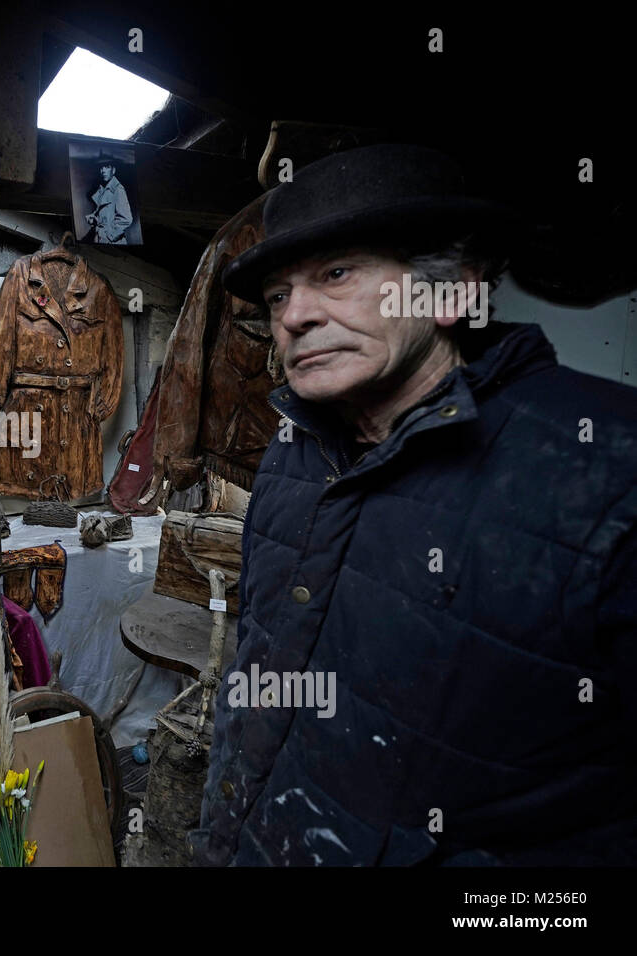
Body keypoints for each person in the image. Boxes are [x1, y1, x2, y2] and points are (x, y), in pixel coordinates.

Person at [189, 143, 637, 866]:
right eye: (277, 295)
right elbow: (253, 694)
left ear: (453, 291)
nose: (295, 316)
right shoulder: (293, 455)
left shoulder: (608, 471)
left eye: (336, 274)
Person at [84, 155, 133, 244]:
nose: (103, 171)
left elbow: (126, 219)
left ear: (113, 170)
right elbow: (103, 212)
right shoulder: (102, 189)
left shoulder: (118, 190)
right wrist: (93, 217)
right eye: (101, 167)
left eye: (107, 167)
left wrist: (109, 236)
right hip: (100, 238)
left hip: (113, 242)